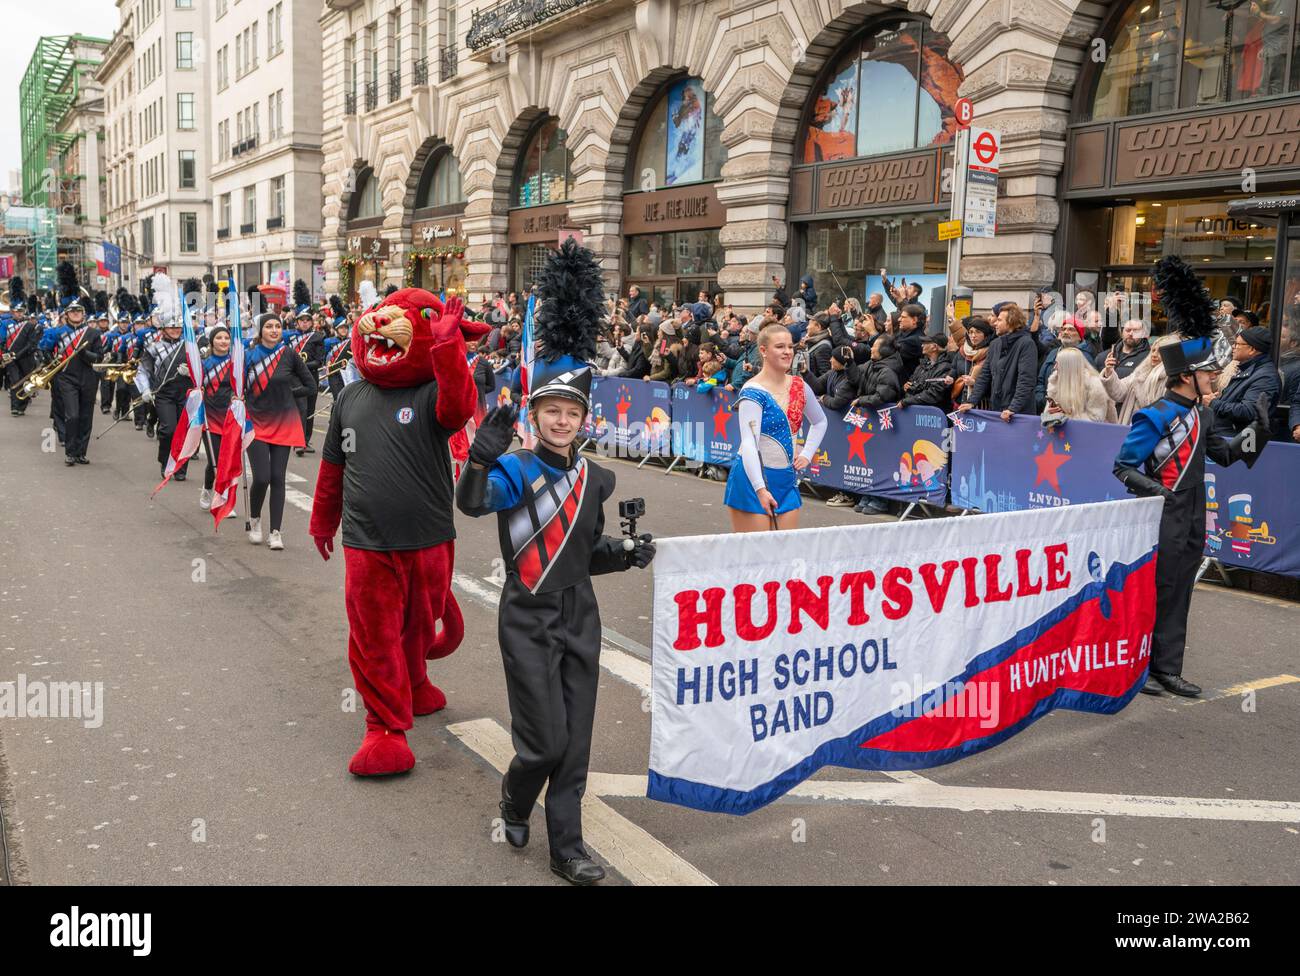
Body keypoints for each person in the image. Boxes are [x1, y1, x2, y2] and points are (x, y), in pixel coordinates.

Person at [1113, 256, 1270, 698]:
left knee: (1180, 589)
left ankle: (1167, 668)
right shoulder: (1155, 415)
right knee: (1155, 590)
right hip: (1166, 511)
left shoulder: (1203, 412)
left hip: (1194, 511)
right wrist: (1158, 492)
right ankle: (1140, 667)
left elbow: (1224, 454)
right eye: (1208, 372)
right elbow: (1123, 467)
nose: (1216, 376)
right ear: (1186, 376)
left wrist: (1258, 431)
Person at [724, 323, 828, 532]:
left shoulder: (800, 386)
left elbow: (820, 421)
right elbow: (749, 443)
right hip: (752, 479)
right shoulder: (752, 391)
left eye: (790, 347)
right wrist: (760, 489)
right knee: (755, 557)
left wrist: (807, 453)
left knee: (785, 556)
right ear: (763, 350)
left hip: (786, 478)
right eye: (780, 347)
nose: (788, 352)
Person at [245, 312, 316, 549]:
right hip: (255, 422)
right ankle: (255, 519)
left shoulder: (289, 354)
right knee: (262, 477)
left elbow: (310, 386)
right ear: (260, 330)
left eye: (277, 326)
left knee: (277, 478)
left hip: (283, 421)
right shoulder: (248, 356)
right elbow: (239, 389)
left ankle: (275, 531)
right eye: (268, 326)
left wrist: (289, 395)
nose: (274, 330)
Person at [958, 302, 1036, 421]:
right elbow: (984, 376)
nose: (995, 323)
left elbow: (1025, 381)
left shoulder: (1026, 344)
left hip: (1018, 414)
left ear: (1011, 322)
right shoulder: (995, 344)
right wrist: (971, 402)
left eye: (999, 320)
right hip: (997, 410)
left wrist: (1013, 408)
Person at [1206, 326, 1280, 438]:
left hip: (1238, 441)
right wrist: (1219, 399)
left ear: (1252, 349)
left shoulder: (1265, 377)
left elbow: (1249, 411)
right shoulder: (1249, 369)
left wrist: (1213, 403)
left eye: (1237, 344)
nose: (1233, 347)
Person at [198, 325, 237, 517]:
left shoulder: (236, 362)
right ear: (212, 341)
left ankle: (224, 497)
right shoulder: (204, 363)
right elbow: (196, 387)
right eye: (219, 338)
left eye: (226, 338)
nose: (223, 341)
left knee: (229, 459)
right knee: (216, 460)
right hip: (210, 415)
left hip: (230, 416)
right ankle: (207, 489)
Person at [1041, 347, 1116, 425]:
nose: (1054, 367)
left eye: (1058, 363)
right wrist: (1050, 412)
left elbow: (1096, 419)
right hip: (1062, 433)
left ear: (1069, 367)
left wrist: (1065, 416)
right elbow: (1047, 415)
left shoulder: (1095, 386)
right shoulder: (1055, 382)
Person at [899, 334, 956, 410]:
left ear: (934, 347)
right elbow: (912, 382)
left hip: (933, 415)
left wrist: (907, 401)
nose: (922, 345)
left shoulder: (945, 367)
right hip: (917, 411)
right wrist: (907, 387)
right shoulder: (922, 365)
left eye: (925, 343)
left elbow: (934, 394)